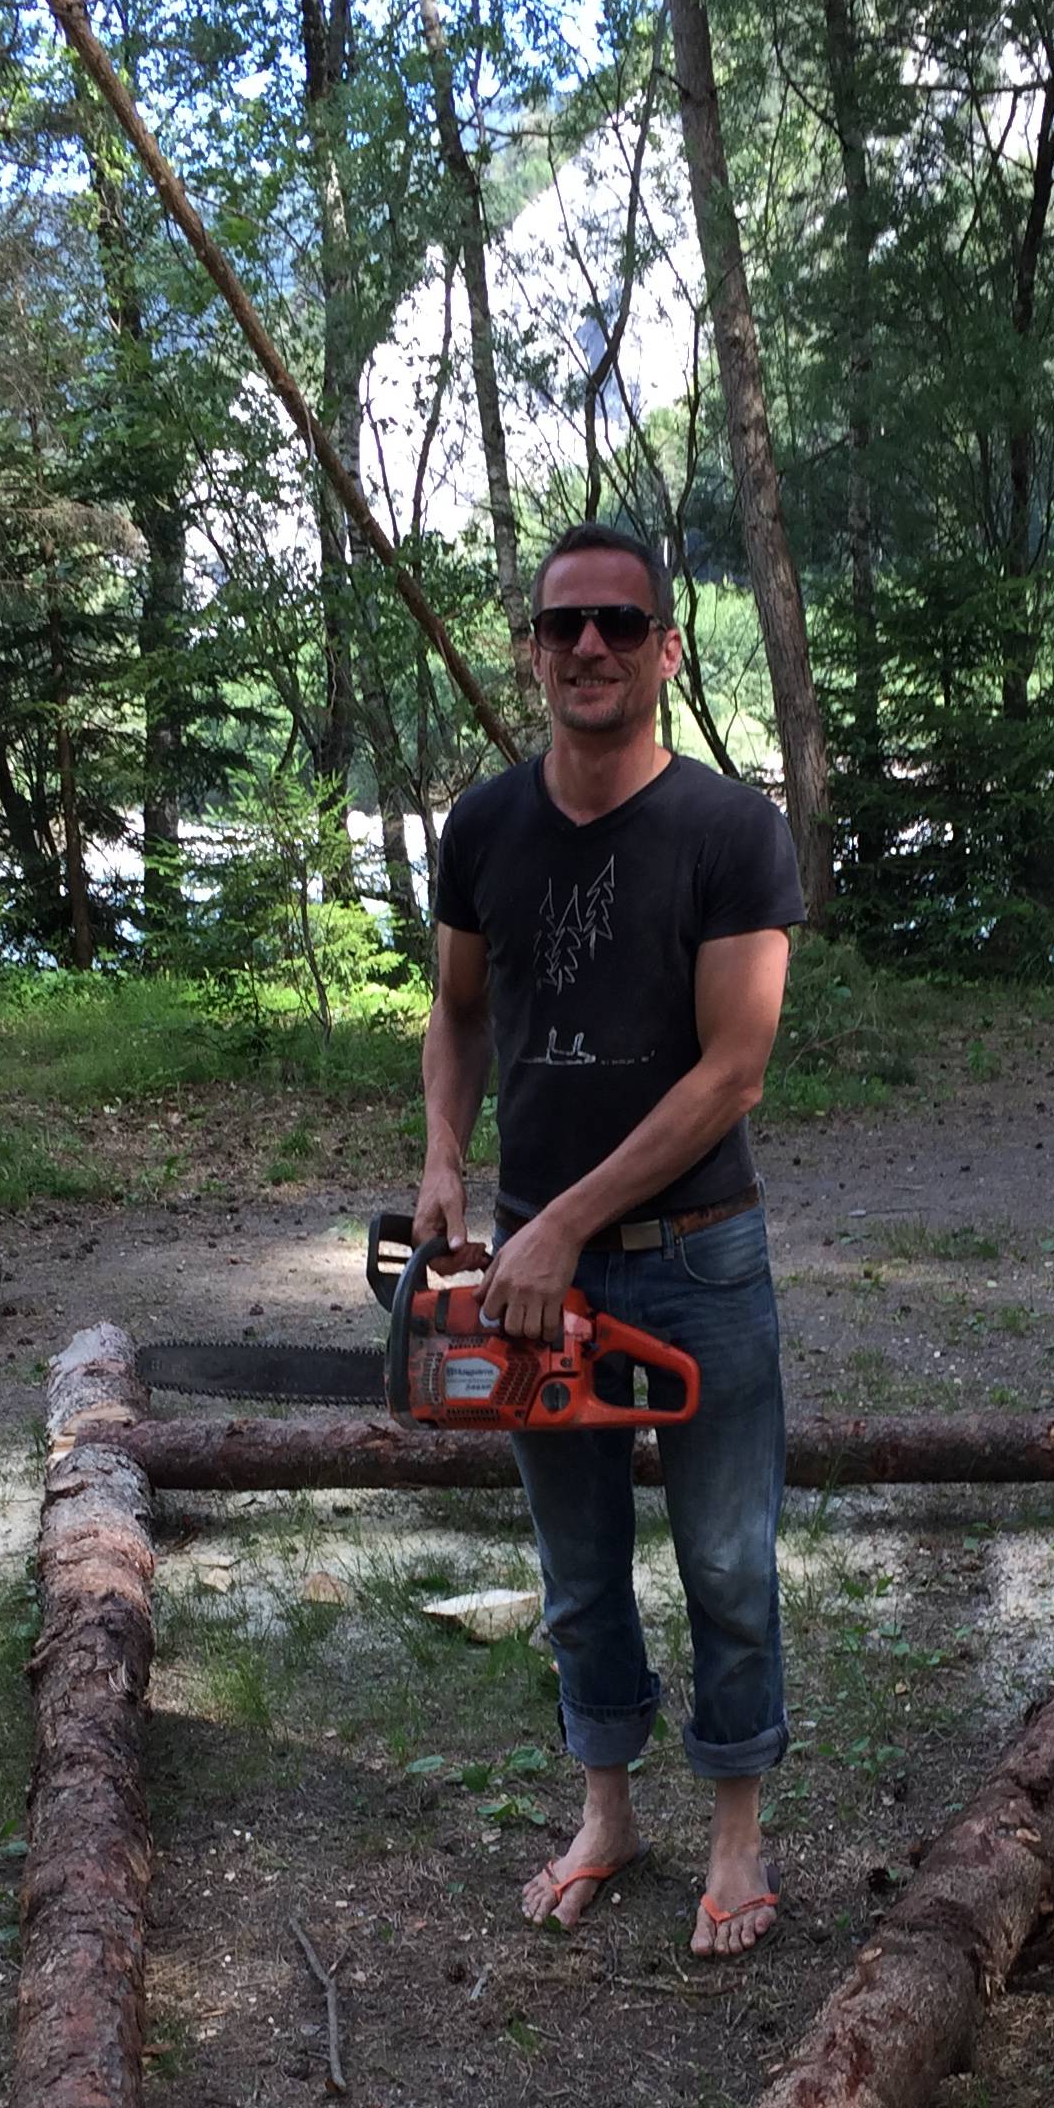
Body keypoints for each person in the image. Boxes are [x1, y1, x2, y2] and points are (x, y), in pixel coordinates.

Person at [415, 523, 803, 1956]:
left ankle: (737, 1835)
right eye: (564, 623)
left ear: (667, 652)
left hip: (697, 1256)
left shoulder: (731, 832)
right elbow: (459, 1011)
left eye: (621, 625)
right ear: (531, 649)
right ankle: (606, 1812)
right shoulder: (483, 829)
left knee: (728, 1564)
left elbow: (733, 1071)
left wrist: (566, 1224)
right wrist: (446, 1159)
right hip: (533, 1263)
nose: (591, 646)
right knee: (577, 1563)